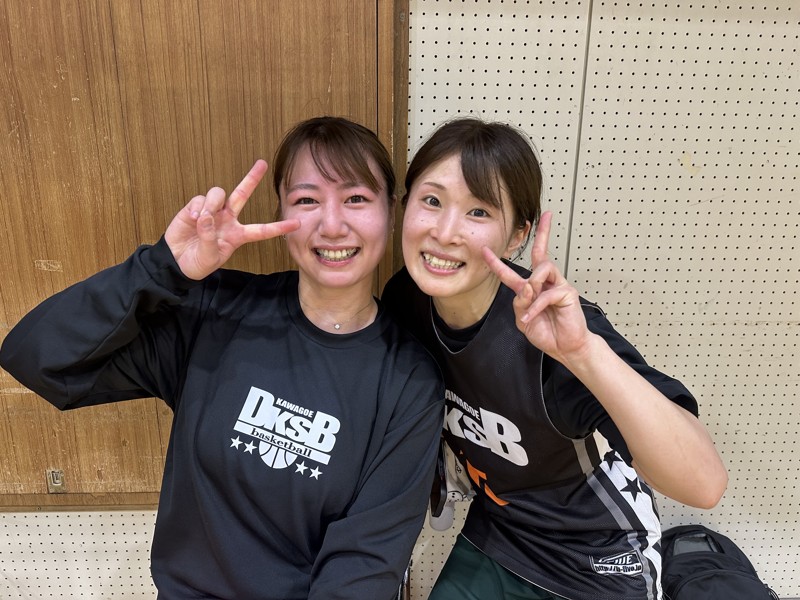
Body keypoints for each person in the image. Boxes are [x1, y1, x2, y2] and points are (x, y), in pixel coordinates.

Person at [0, 116, 445, 600]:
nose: (332, 225)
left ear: (391, 211)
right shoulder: (217, 311)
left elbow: (364, 567)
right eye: (307, 200)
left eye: (356, 198)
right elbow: (38, 358)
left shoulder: (409, 380)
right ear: (280, 211)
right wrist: (163, 268)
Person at [382, 117, 728, 600]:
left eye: (478, 211)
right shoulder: (405, 299)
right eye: (432, 201)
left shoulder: (554, 331)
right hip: (501, 532)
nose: (444, 232)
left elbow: (704, 485)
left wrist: (583, 354)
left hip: (600, 556)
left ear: (517, 236)